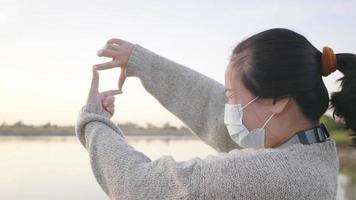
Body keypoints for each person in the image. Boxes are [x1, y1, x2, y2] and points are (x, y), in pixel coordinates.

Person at [75, 28, 356, 199]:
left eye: (232, 95)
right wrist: (142, 62)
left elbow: (140, 187)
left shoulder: (271, 176)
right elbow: (213, 111)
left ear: (277, 101)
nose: (228, 107)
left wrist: (93, 122)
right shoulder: (314, 150)